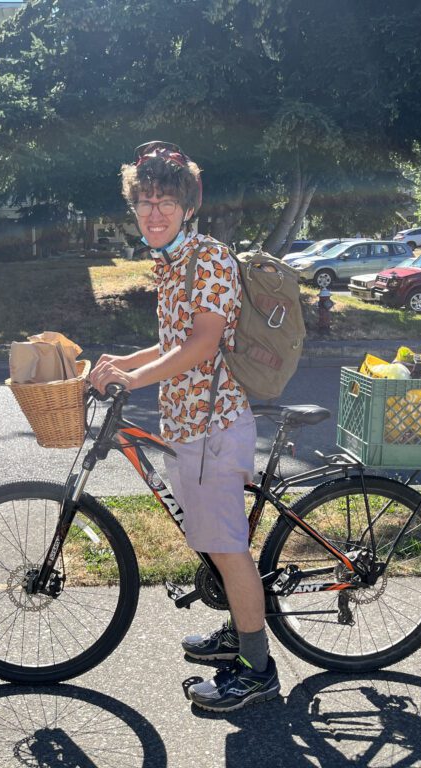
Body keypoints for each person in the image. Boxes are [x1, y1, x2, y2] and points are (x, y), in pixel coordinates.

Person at [88, 141, 279, 713]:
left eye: (164, 201)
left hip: (214, 426)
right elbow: (176, 341)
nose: (153, 211)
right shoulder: (172, 263)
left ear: (188, 206)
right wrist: (124, 363)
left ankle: (256, 669)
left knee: (227, 547)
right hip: (187, 425)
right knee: (215, 543)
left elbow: (202, 344)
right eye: (144, 201)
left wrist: (135, 380)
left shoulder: (210, 258)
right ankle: (238, 634)